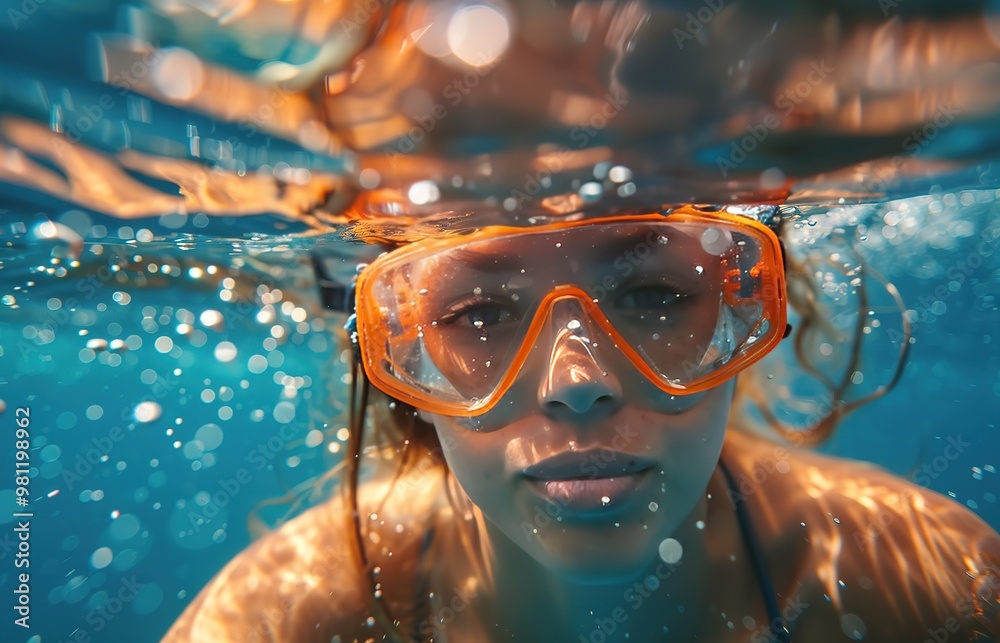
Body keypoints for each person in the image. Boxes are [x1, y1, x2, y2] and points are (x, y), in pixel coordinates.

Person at [164, 205, 1000, 643]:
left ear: (744, 318)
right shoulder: (294, 614)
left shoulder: (931, 585)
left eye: (656, 295)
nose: (579, 384)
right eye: (481, 311)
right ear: (401, 363)